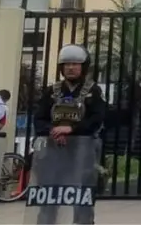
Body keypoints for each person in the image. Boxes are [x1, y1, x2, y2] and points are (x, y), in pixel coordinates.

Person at [32, 44, 106, 225]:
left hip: (83, 155)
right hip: (54, 154)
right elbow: (39, 119)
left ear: (84, 67)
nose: (71, 67)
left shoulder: (92, 91)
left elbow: (98, 119)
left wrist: (72, 130)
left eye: (75, 64)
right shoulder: (52, 91)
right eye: (66, 64)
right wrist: (53, 131)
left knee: (82, 198)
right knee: (48, 197)